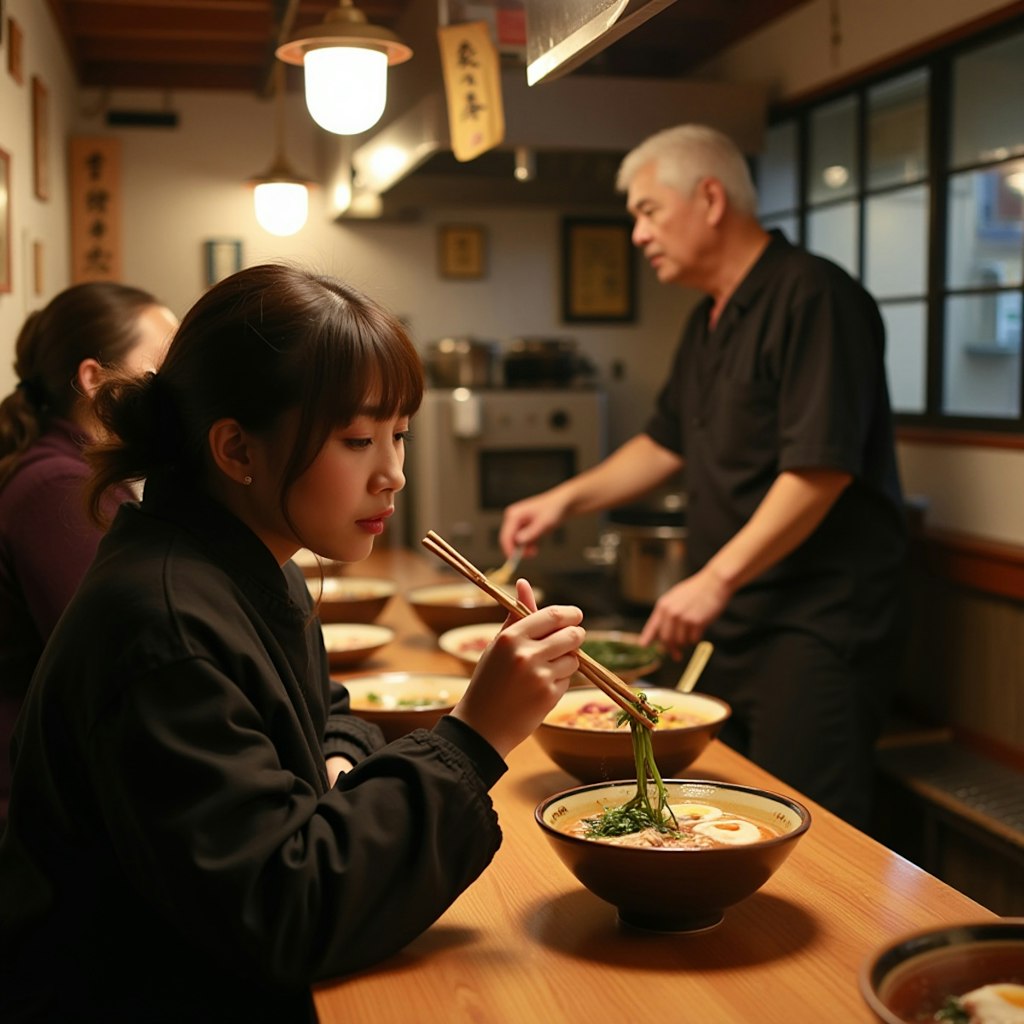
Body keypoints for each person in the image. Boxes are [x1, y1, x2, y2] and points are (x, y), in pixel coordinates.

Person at [0, 263, 583, 1022]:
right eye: (357, 439)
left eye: (399, 437)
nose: (394, 476)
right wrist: (477, 736)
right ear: (237, 450)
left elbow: (325, 710)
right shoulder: (162, 621)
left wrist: (332, 761)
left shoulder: (245, 563)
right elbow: (286, 912)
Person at [500, 124, 908, 828]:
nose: (636, 234)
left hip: (816, 621)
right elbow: (664, 445)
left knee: (810, 824)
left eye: (647, 210)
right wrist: (559, 501)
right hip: (737, 618)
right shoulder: (708, 321)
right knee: (723, 812)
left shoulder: (814, 296)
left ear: (711, 198)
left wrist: (713, 577)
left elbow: (820, 468)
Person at [0, 282, 178, 825]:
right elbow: (121, 658)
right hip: (35, 809)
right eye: (162, 374)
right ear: (94, 380)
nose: (177, 393)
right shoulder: (58, 489)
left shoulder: (79, 473)